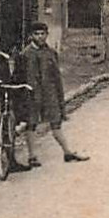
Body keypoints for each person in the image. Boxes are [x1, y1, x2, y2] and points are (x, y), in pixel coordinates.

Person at [17, 23, 89, 166]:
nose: (40, 37)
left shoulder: (50, 53)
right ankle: (32, 157)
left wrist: (59, 97)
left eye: (42, 34)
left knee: (56, 122)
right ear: (31, 36)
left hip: (49, 93)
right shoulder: (25, 54)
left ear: (47, 35)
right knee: (31, 124)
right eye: (36, 34)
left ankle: (67, 152)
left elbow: (56, 77)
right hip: (32, 94)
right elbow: (20, 77)